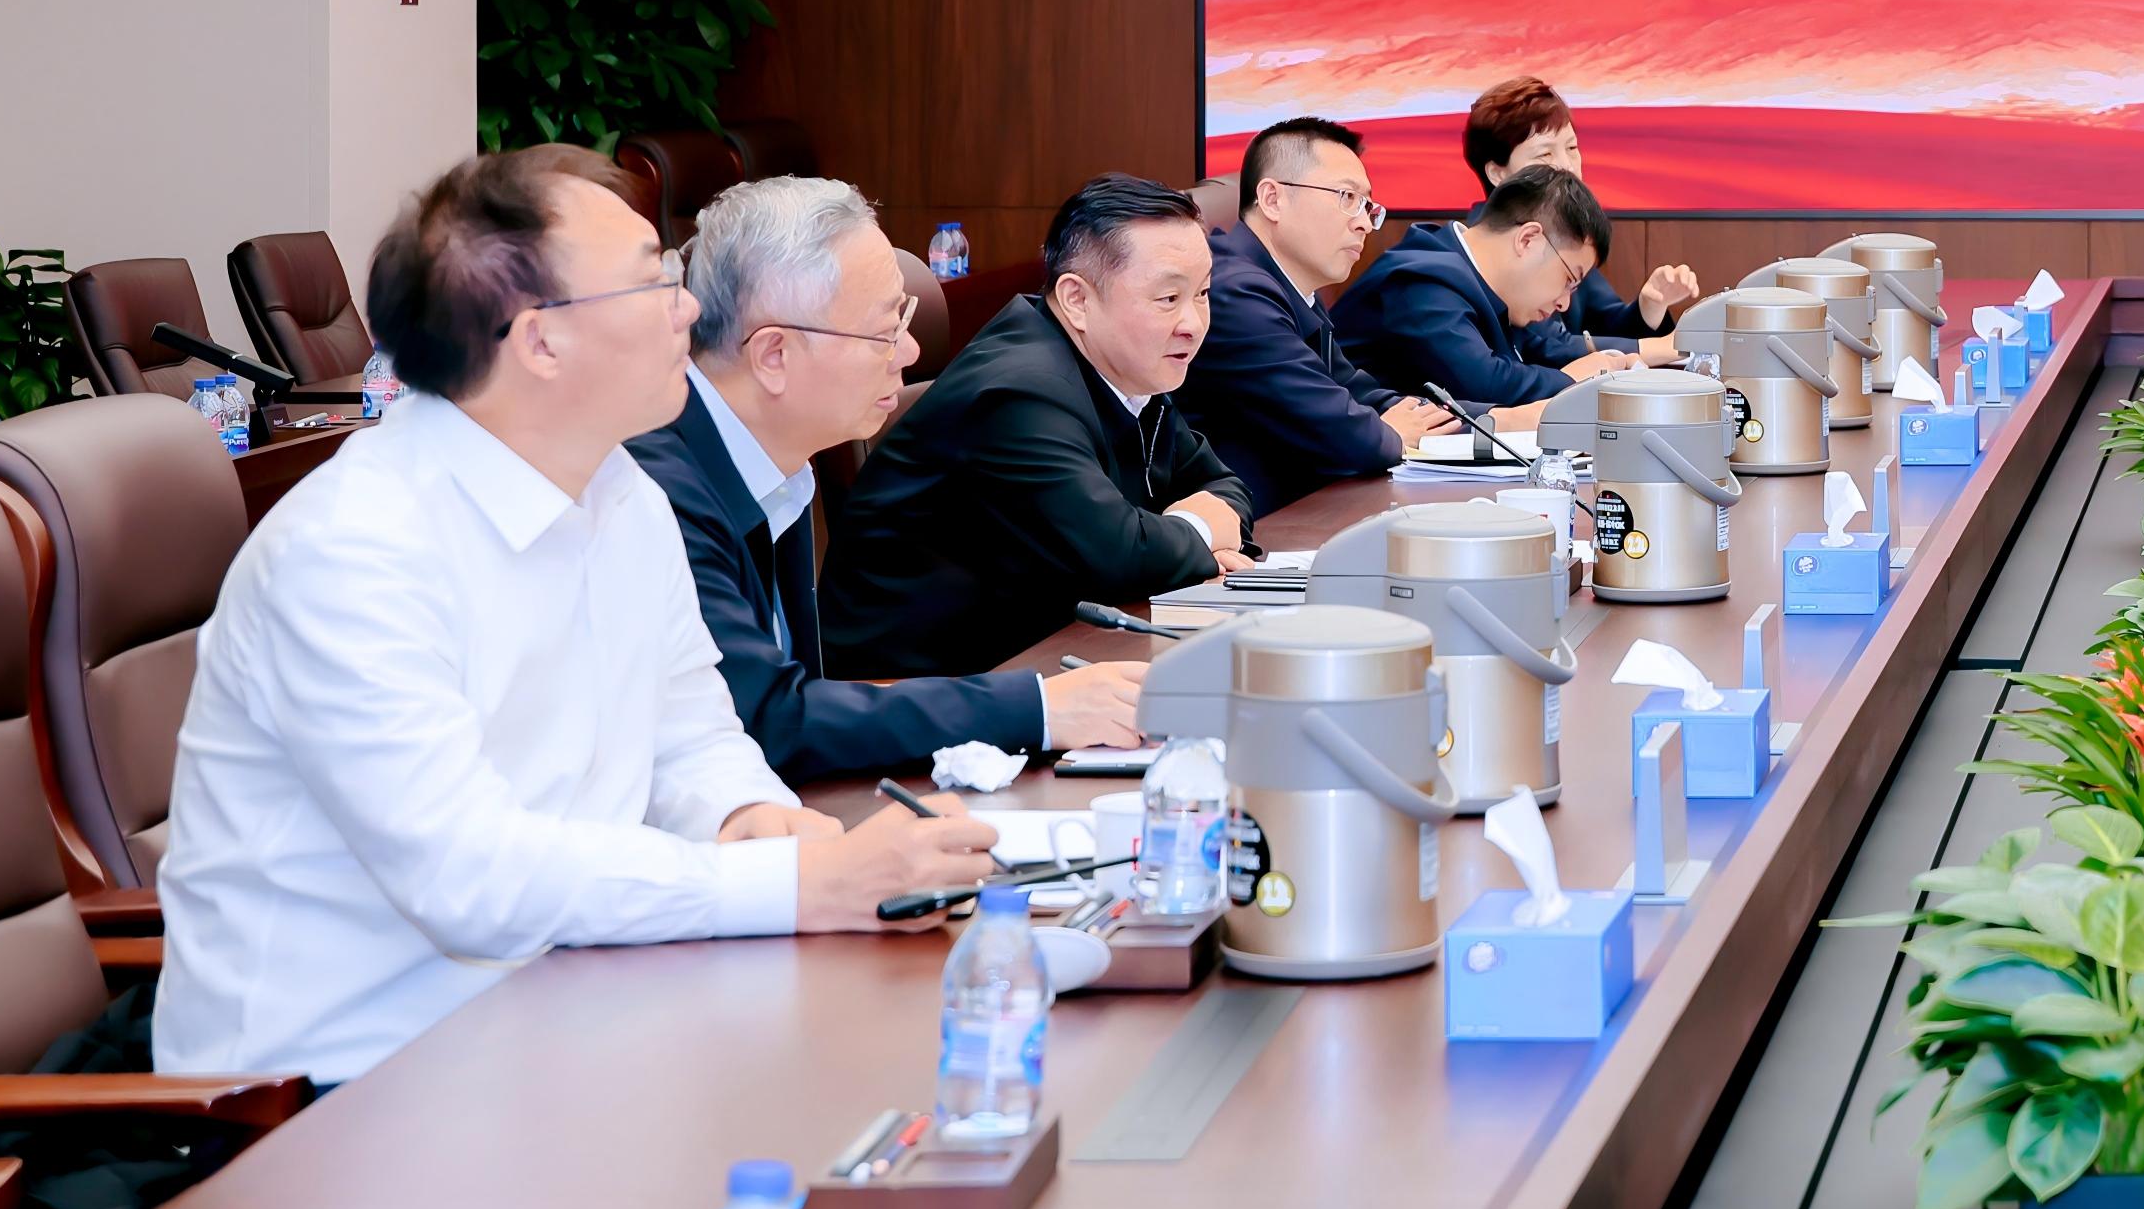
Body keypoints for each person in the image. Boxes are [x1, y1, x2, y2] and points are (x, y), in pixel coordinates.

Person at [151, 148, 995, 1084]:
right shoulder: (352, 553)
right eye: (652, 282)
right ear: (541, 342)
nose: (689, 311)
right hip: (348, 1086)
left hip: (580, 1008)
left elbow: (691, 732)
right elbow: (472, 880)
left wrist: (751, 816)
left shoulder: (621, 490)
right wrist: (788, 884)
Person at [628, 176, 1148, 780]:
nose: (909, 352)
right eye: (884, 332)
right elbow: (768, 719)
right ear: (773, 355)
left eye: (906, 317)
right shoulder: (661, 490)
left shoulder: (774, 458)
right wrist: (1037, 709)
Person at [827, 174, 1263, 681]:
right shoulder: (1018, 392)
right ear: (1076, 299)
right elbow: (1119, 556)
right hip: (914, 690)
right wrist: (1203, 531)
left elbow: (1222, 485)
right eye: (1168, 299)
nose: (1192, 322)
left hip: (1033, 647)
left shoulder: (1123, 363)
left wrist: (1190, 533)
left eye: (1202, 293)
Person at [1188, 117, 1514, 513]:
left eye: (1367, 206)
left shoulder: (1291, 290)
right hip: (1252, 529)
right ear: (1273, 199)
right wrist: (1391, 434)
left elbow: (1361, 395)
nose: (1364, 223)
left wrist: (1495, 419)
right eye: (1347, 197)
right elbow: (1336, 427)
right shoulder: (1233, 292)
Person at [1337, 164, 1626, 412]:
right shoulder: (1422, 282)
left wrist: (1612, 363)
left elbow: (1542, 349)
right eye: (1568, 279)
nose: (1564, 303)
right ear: (1528, 239)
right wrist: (1572, 379)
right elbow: (1483, 384)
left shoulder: (1492, 290)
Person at [1464, 76, 1701, 360]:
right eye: (1545, 154)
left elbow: (1603, 326)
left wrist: (1649, 306)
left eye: (1572, 148)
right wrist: (1659, 348)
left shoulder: (1566, 233)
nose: (1567, 166)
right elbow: (1545, 347)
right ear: (1497, 173)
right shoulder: (1488, 250)